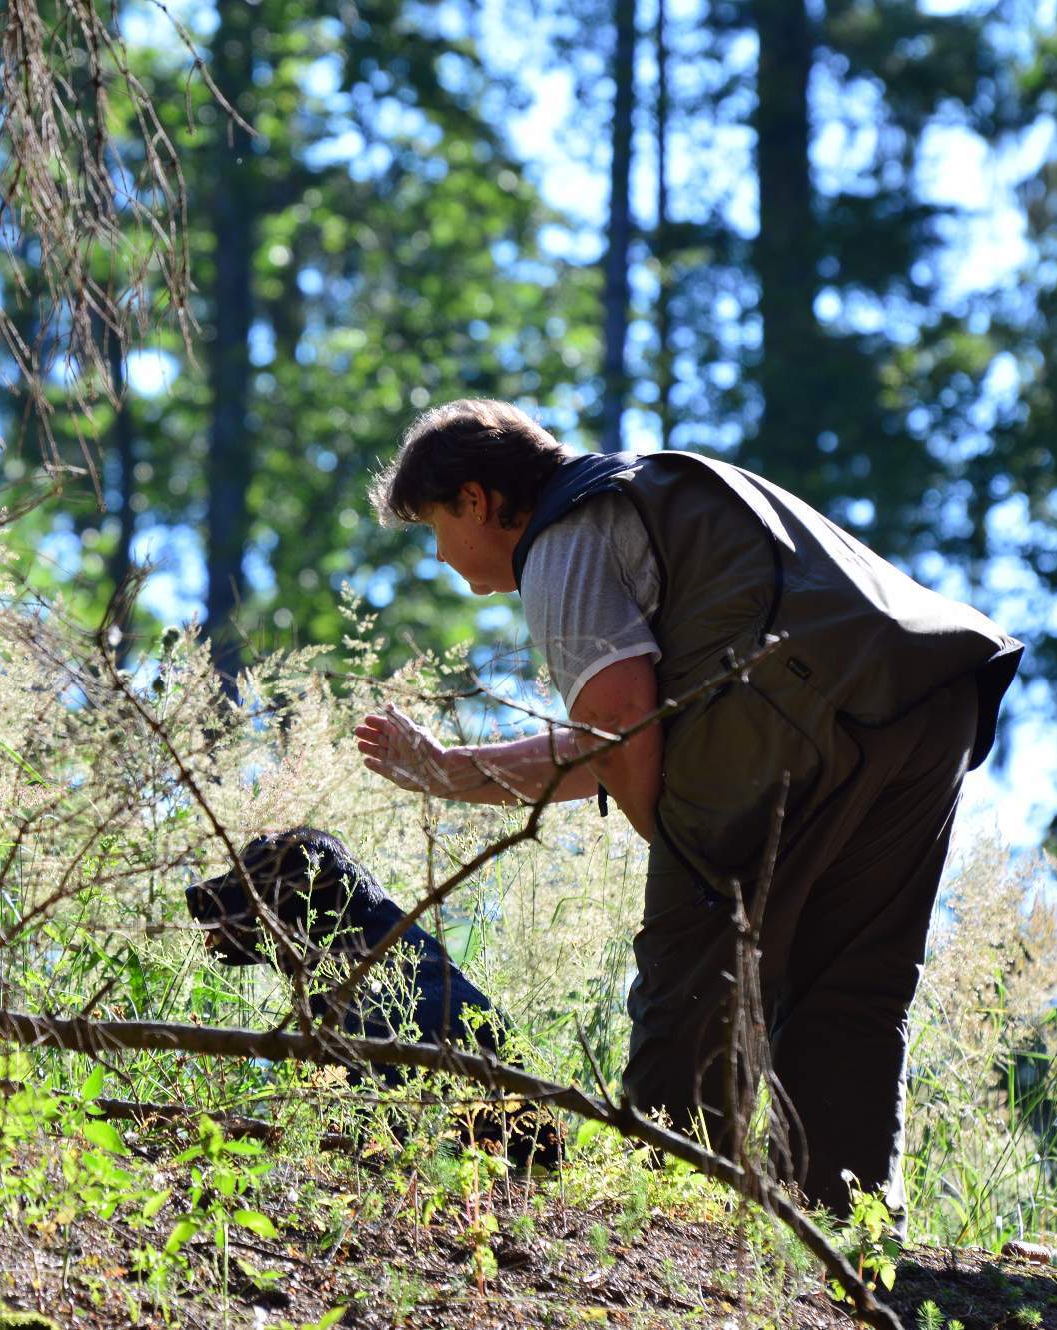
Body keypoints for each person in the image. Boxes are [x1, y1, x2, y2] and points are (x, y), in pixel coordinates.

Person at [353, 398, 1021, 1217]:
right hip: (933, 696)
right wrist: (459, 769)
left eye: (432, 529)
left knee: (692, 980)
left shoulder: (563, 536)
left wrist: (682, 857)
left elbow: (622, 736)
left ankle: (668, 1223)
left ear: (476, 501)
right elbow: (618, 740)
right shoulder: (655, 489)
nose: (444, 557)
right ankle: (848, 1245)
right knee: (855, 990)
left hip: (802, 715)